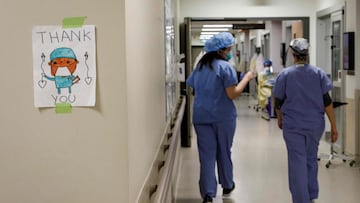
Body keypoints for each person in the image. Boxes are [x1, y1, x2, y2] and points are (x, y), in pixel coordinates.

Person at [186, 32, 254, 203]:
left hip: (201, 117)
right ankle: (227, 184)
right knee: (224, 150)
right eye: (229, 49)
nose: (230, 52)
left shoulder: (199, 68)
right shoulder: (225, 67)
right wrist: (246, 79)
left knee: (207, 155)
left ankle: (208, 193)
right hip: (223, 117)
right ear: (221, 51)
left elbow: (194, 89)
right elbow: (232, 94)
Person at [273, 38, 338, 203]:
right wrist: (334, 126)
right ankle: (310, 195)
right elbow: (327, 102)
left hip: (293, 126)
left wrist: (280, 119)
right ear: (307, 54)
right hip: (315, 125)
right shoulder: (318, 73)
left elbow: (278, 101)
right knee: (310, 159)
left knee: (297, 162)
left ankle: (301, 199)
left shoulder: (285, 75)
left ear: (293, 55)